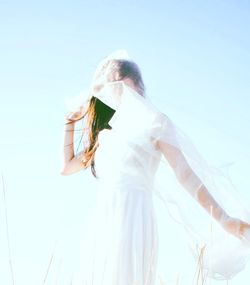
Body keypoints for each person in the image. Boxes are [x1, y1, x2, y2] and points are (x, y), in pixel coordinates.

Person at [60, 50, 250, 285]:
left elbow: (185, 175)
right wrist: (69, 122)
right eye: (110, 87)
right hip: (103, 219)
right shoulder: (107, 131)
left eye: (121, 85)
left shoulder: (155, 123)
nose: (115, 93)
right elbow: (67, 166)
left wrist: (223, 219)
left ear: (138, 86)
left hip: (134, 217)